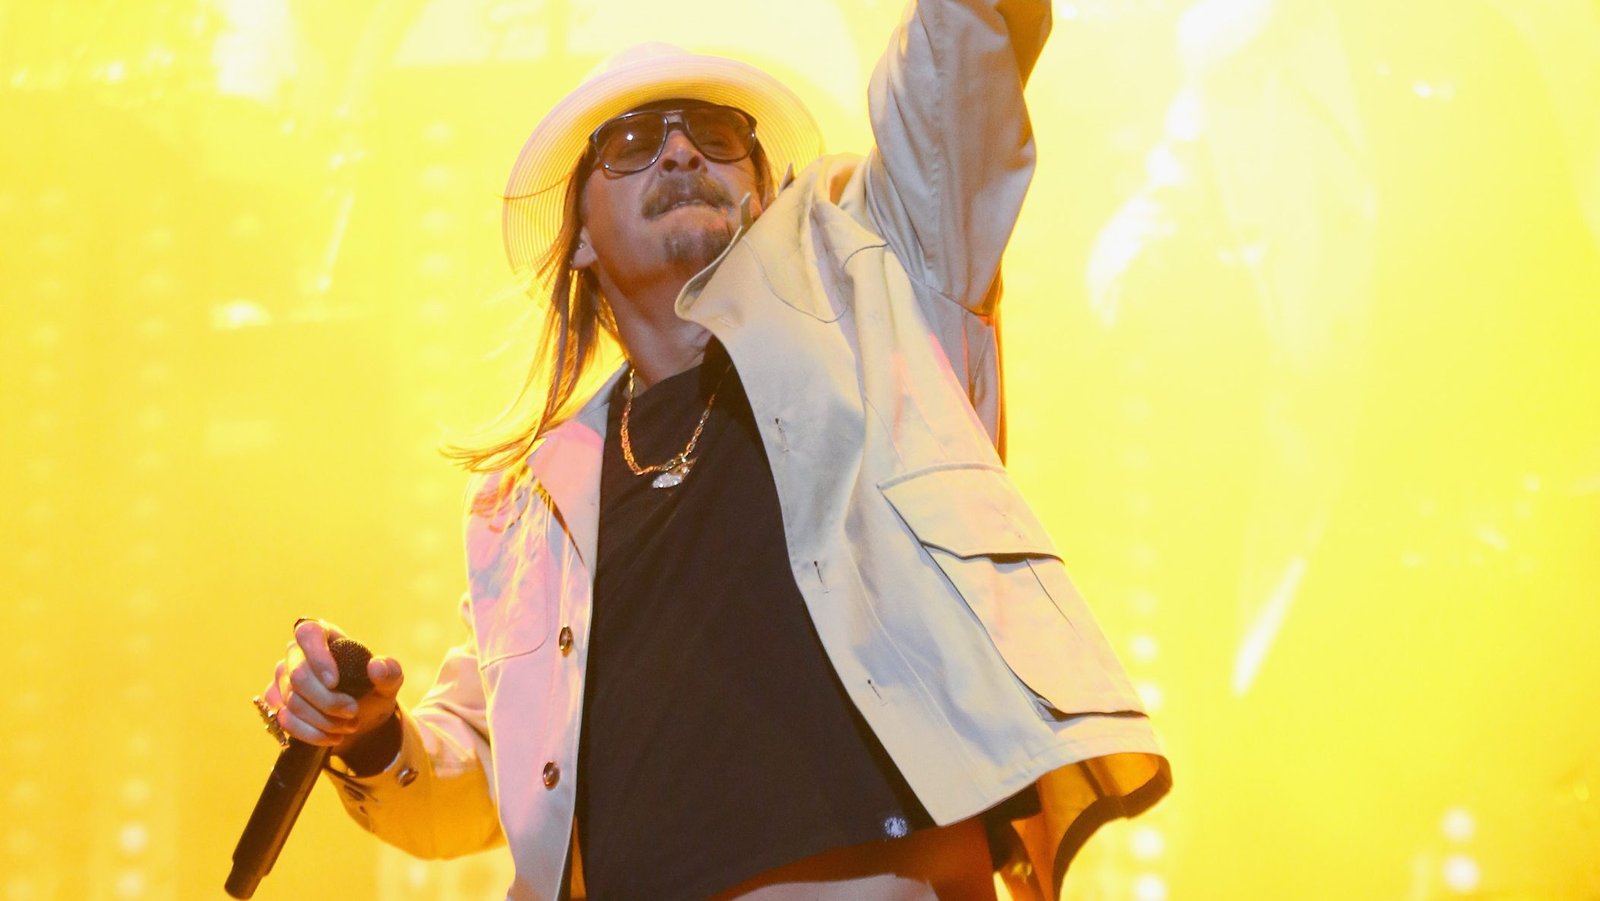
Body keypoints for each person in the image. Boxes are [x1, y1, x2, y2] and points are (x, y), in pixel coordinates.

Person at [257, 2, 1170, 898]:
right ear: (579, 237)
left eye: (715, 135)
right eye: (631, 143)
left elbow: (955, 69)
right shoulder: (528, 507)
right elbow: (486, 774)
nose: (681, 153)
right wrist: (371, 736)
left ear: (762, 197)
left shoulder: (879, 309)